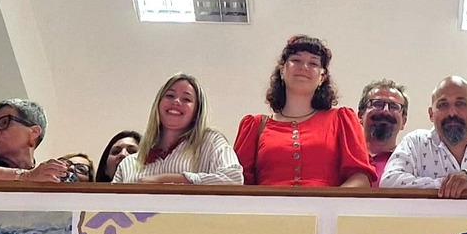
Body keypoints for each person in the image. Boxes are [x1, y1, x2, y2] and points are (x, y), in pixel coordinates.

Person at [234, 35, 376, 187]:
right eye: (296, 60)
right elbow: (238, 183)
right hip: (268, 203)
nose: (304, 67)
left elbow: (360, 179)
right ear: (282, 70)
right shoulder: (255, 125)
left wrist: (326, 202)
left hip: (327, 203)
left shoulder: (341, 119)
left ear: (322, 77)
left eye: (313, 63)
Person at [115, 73, 242, 184]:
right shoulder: (128, 164)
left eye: (186, 99)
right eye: (170, 95)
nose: (176, 101)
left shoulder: (211, 143)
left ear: (196, 111)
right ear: (158, 104)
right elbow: (110, 202)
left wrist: (165, 179)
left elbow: (233, 178)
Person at [357, 79, 410, 180]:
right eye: (377, 104)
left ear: (403, 121)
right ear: (361, 115)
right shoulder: (344, 155)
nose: (385, 111)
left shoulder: (410, 162)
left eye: (394, 107)